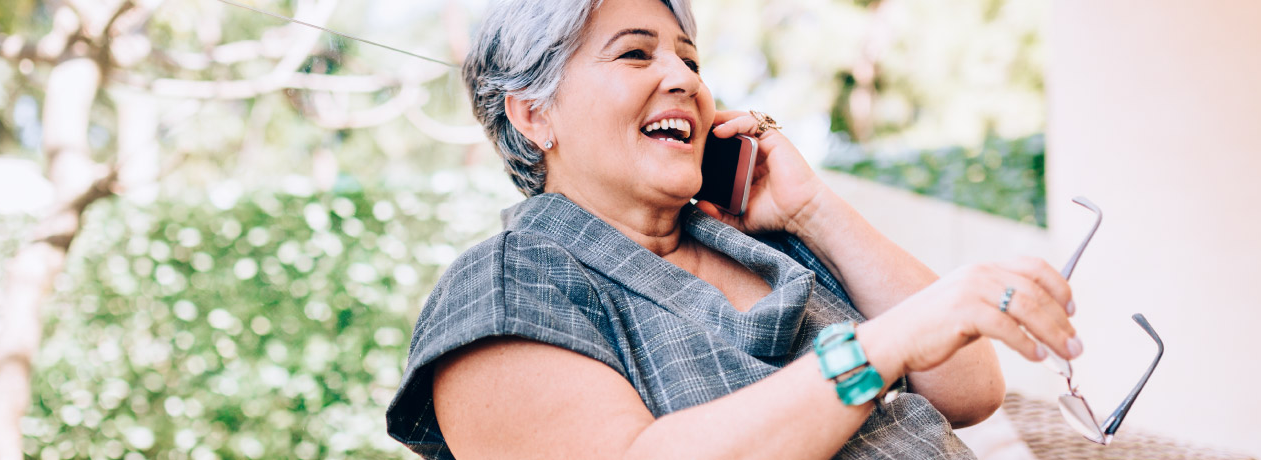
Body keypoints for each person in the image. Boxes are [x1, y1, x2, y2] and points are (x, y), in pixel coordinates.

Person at [386, 0, 1081, 458]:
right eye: (636, 54)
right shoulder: (506, 287)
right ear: (533, 115)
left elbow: (970, 390)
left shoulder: (760, 239)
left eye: (689, 59)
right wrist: (883, 346)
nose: (683, 79)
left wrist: (815, 212)